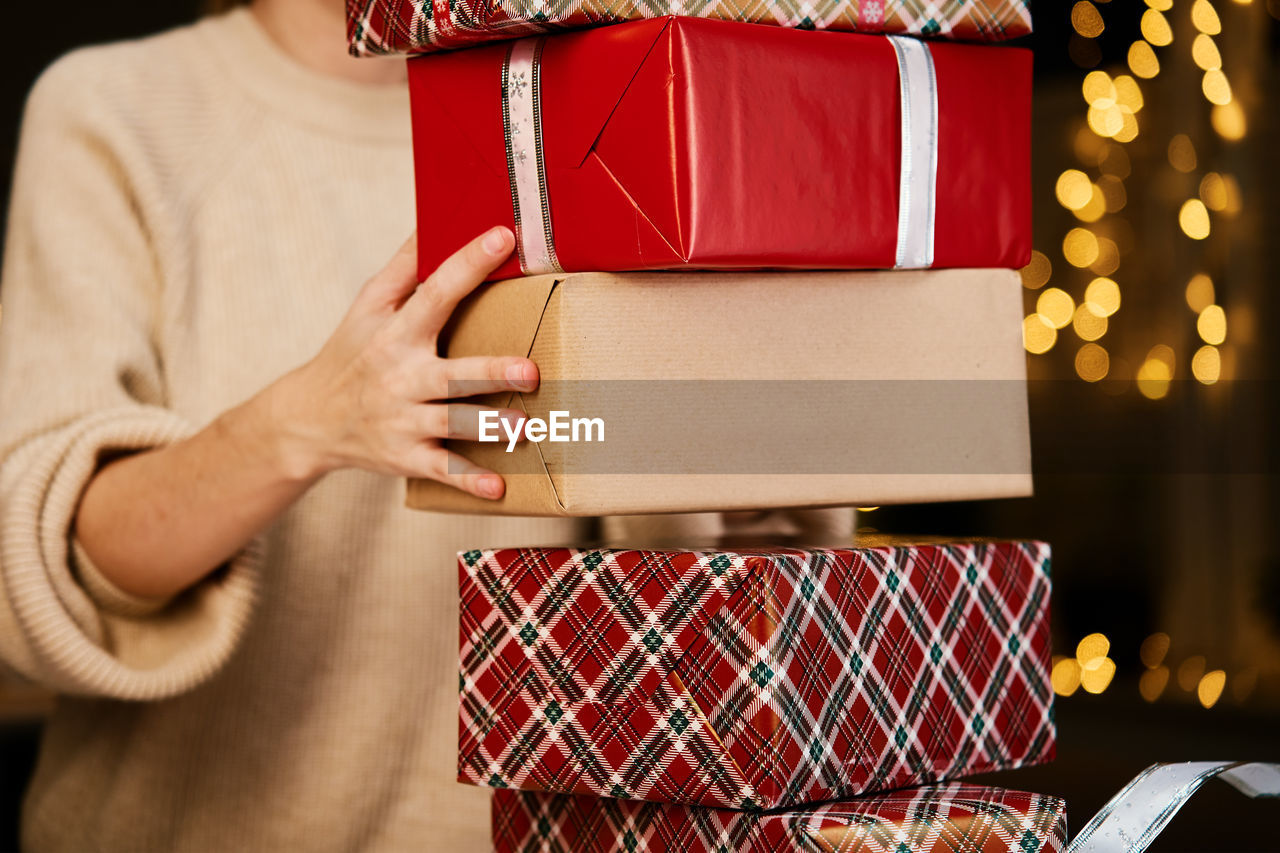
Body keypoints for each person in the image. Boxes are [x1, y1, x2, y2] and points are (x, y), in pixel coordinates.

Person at [0, 0, 851, 849]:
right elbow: (41, 574)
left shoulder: (617, 97)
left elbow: (773, 577)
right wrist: (304, 423)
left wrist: (741, 382)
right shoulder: (116, 109)